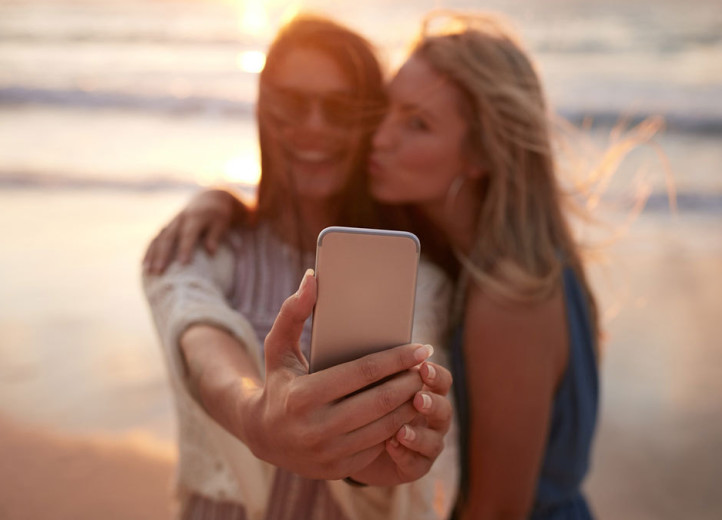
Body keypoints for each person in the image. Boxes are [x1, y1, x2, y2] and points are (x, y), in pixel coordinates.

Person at [146, 11, 607, 520]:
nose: (381, 137)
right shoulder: (453, 259)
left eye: (416, 124)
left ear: (481, 155)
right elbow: (198, 326)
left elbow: (493, 509)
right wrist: (224, 201)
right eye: (384, 112)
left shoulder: (507, 294)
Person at [143, 14, 458, 520]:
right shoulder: (199, 250)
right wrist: (255, 414)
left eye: (339, 107)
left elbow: (401, 461)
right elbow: (199, 338)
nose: (313, 125)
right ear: (262, 109)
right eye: (291, 102)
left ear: (370, 120)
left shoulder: (425, 281)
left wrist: (386, 451)